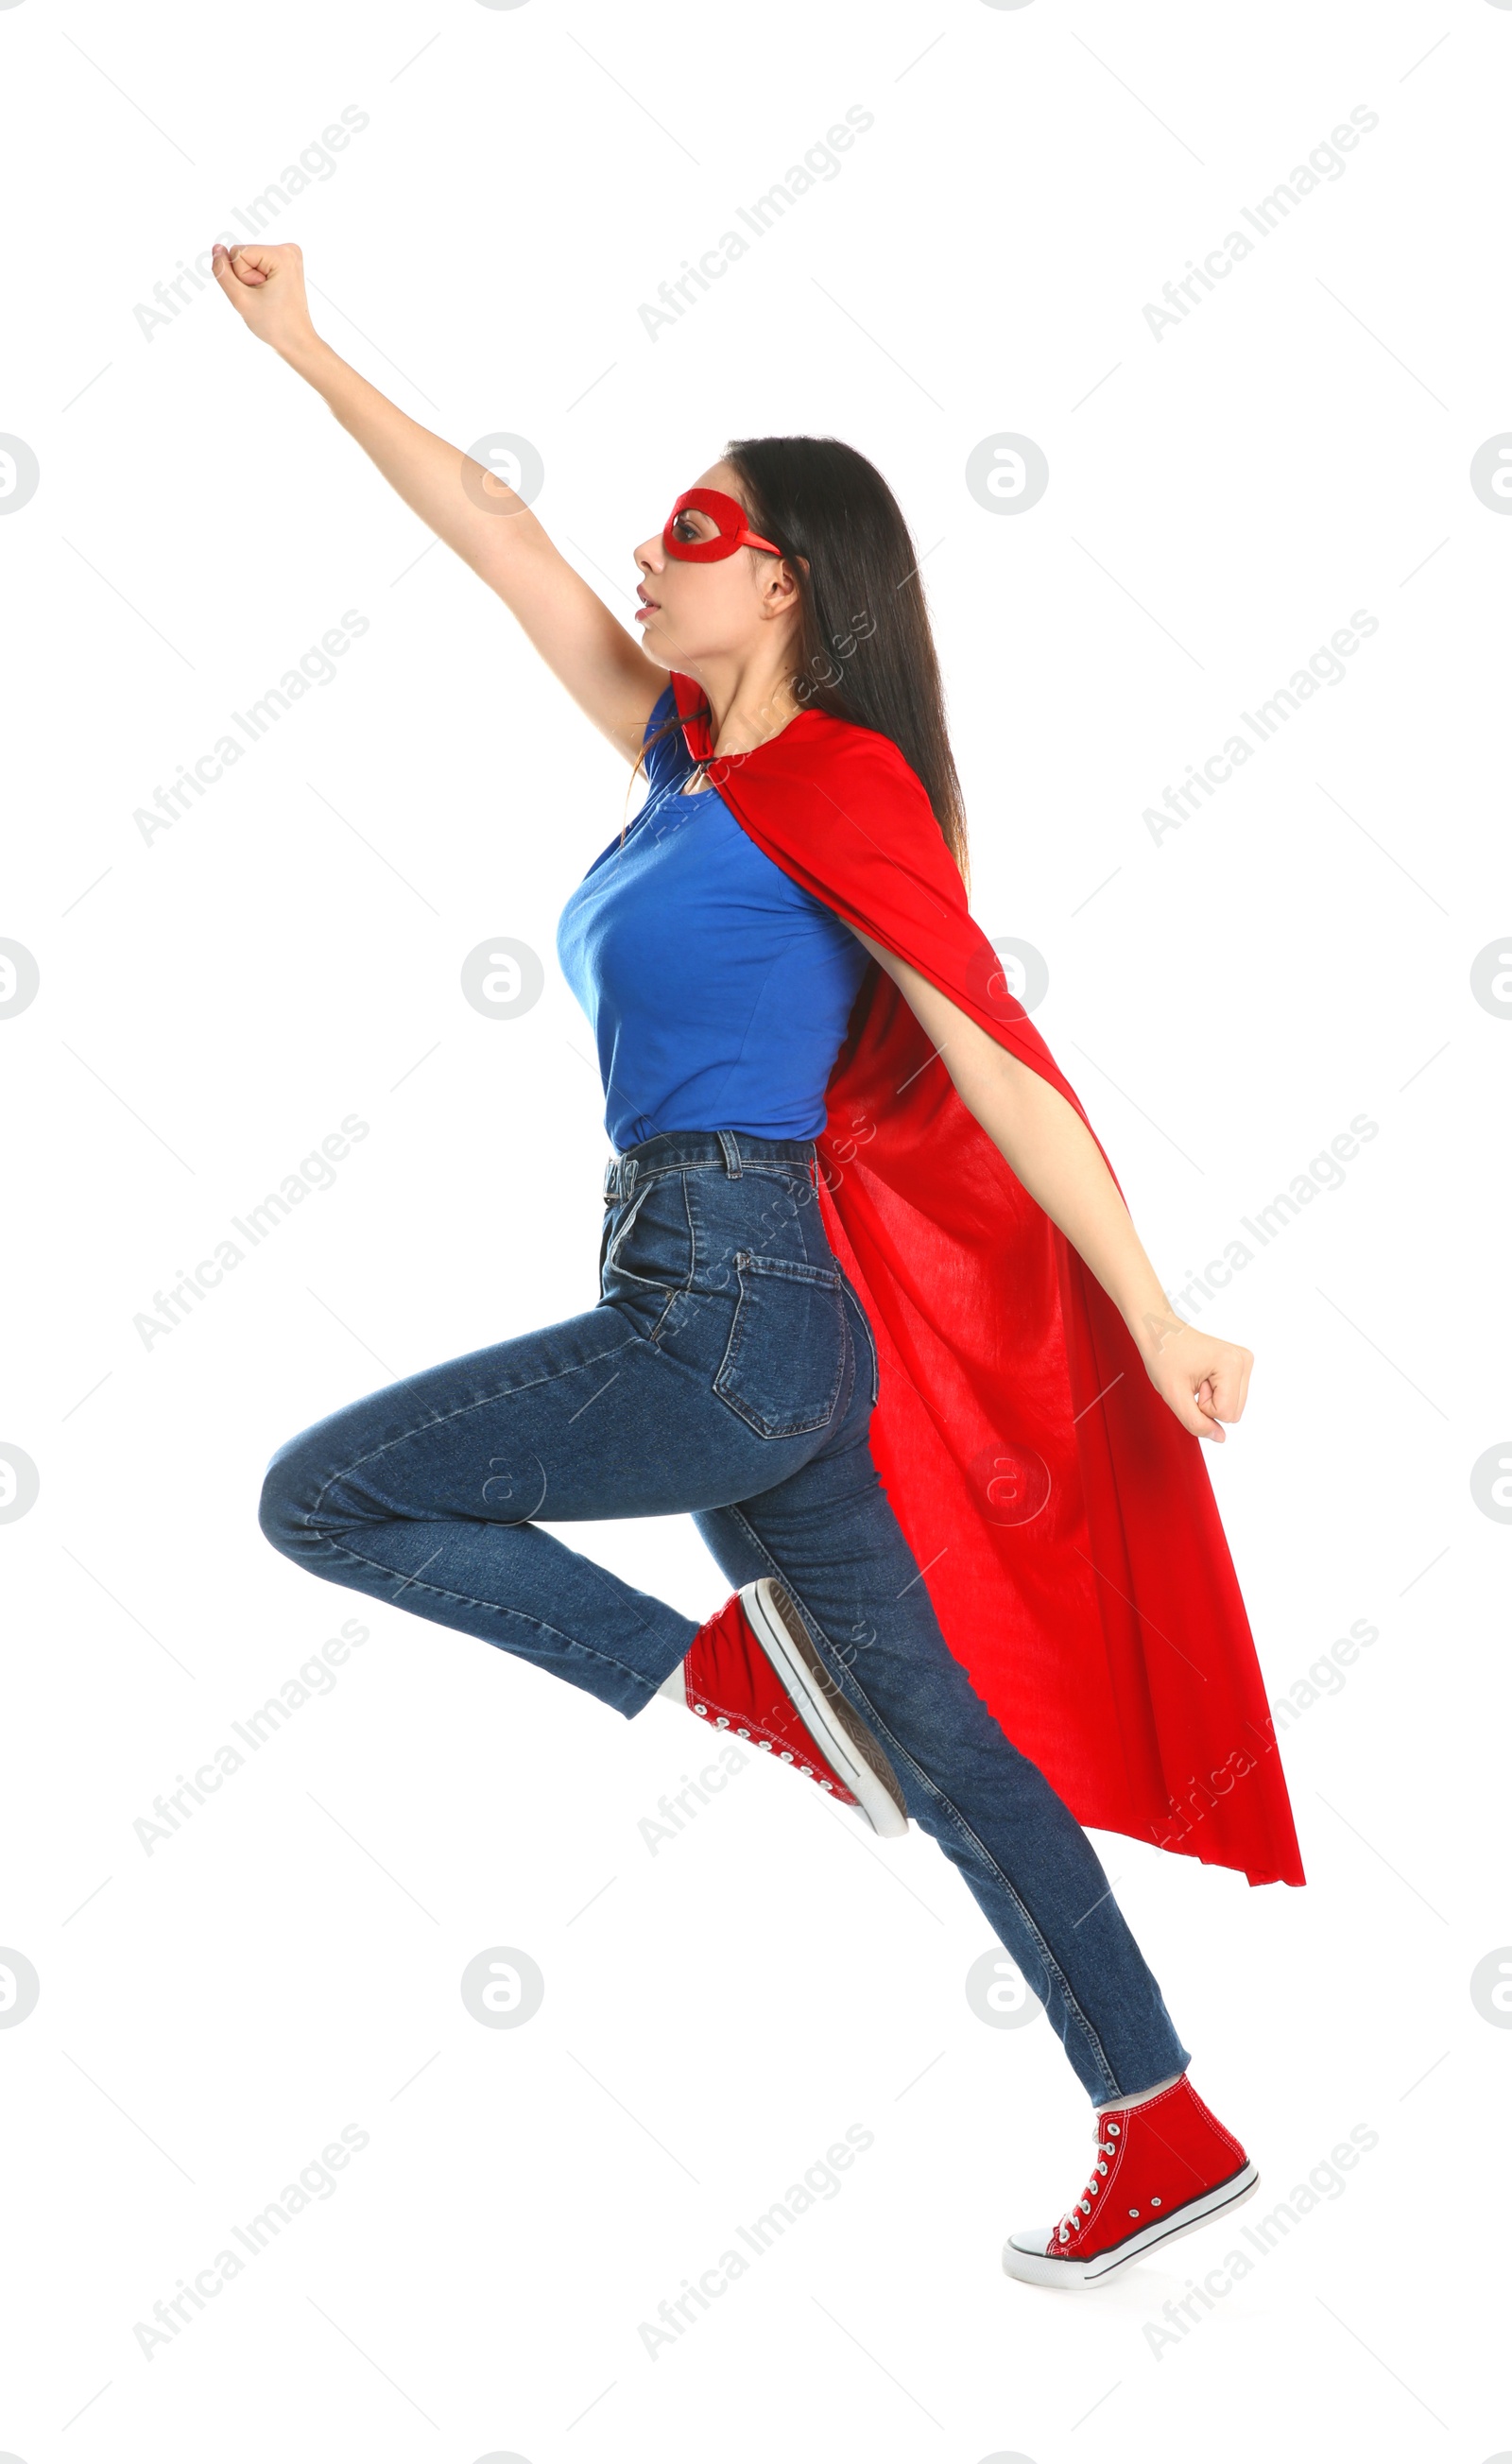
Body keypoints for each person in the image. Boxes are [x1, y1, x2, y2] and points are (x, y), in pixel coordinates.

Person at [213, 235, 1286, 2289]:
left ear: (784, 573)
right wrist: (311, 351)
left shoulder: (834, 784)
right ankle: (1163, 2118)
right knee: (948, 1749)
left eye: (692, 528)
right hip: (742, 1311)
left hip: (721, 1299)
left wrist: (1154, 1309)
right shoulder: (684, 765)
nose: (649, 550)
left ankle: (719, 1678)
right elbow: (501, 532)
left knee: (321, 1491)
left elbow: (987, 1040)